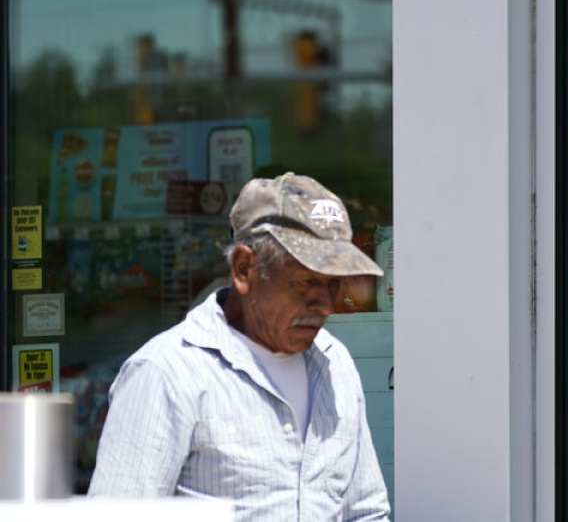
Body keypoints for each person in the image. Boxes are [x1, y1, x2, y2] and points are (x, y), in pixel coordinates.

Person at [88, 172, 391, 522]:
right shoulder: (165, 375)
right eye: (305, 282)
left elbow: (366, 513)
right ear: (244, 269)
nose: (324, 304)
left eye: (334, 285)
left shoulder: (334, 363)